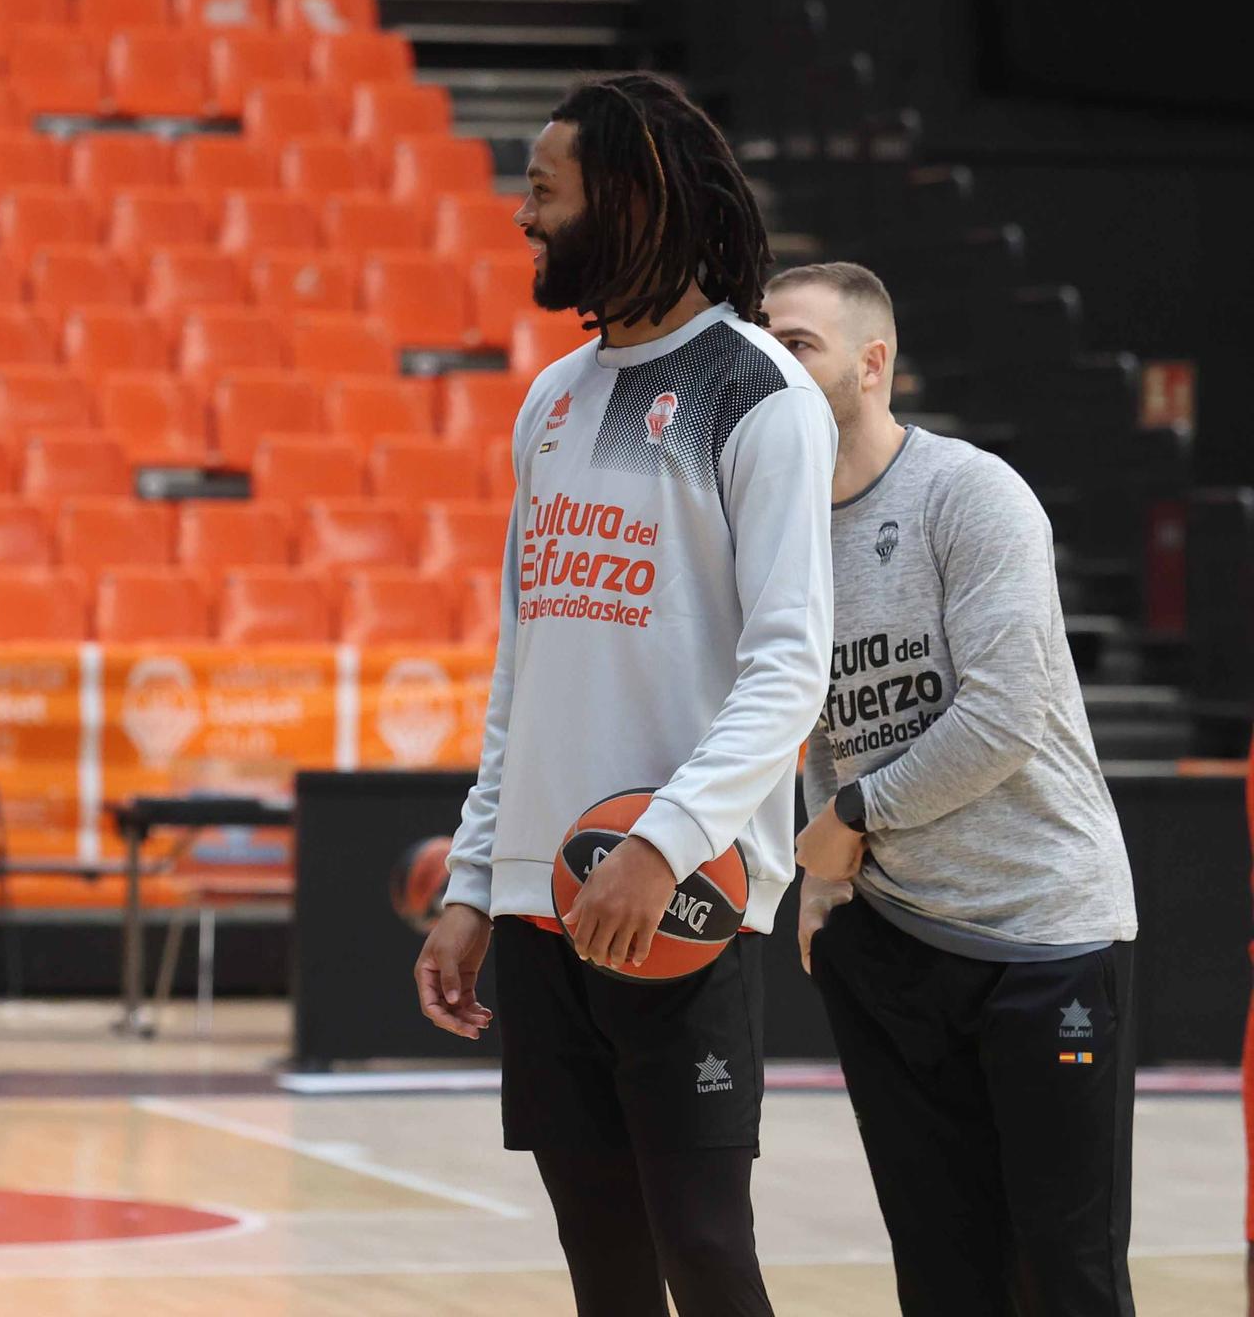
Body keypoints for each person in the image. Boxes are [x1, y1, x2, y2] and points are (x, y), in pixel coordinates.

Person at [412, 73, 836, 1317]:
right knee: (599, 1261)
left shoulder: (754, 391)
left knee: (702, 1248)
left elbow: (786, 663)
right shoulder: (550, 400)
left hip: (679, 892)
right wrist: (474, 883)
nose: (522, 218)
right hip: (544, 898)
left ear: (630, 197)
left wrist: (660, 842)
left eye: (543, 192)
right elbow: (523, 669)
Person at [771, 261, 1139, 1316]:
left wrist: (848, 817)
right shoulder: (779, 529)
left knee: (1063, 1274)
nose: (768, 366)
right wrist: (820, 869)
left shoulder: (967, 493)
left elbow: (1002, 717)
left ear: (871, 364)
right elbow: (814, 714)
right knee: (939, 1276)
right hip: (891, 938)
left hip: (1043, 932)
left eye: (793, 344)